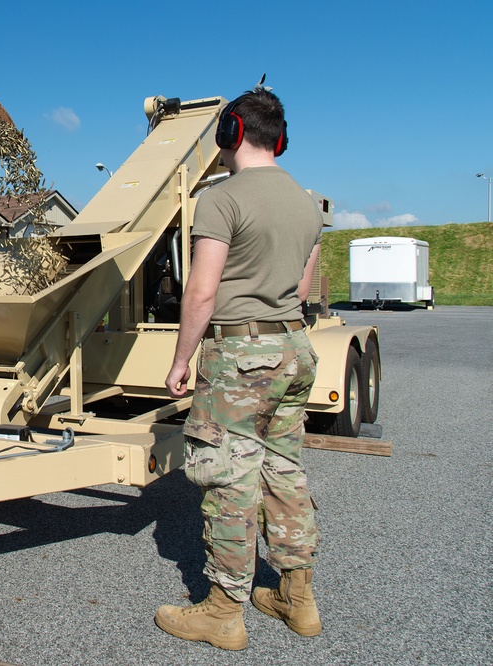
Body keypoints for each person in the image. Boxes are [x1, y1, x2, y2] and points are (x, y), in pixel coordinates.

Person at [153, 87, 324, 650]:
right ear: (278, 139)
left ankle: (224, 611)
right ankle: (296, 599)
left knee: (229, 479)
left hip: (240, 357)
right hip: (293, 348)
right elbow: (300, 288)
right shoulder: (304, 201)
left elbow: (201, 292)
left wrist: (181, 360)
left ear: (228, 134)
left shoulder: (221, 199)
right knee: (284, 471)